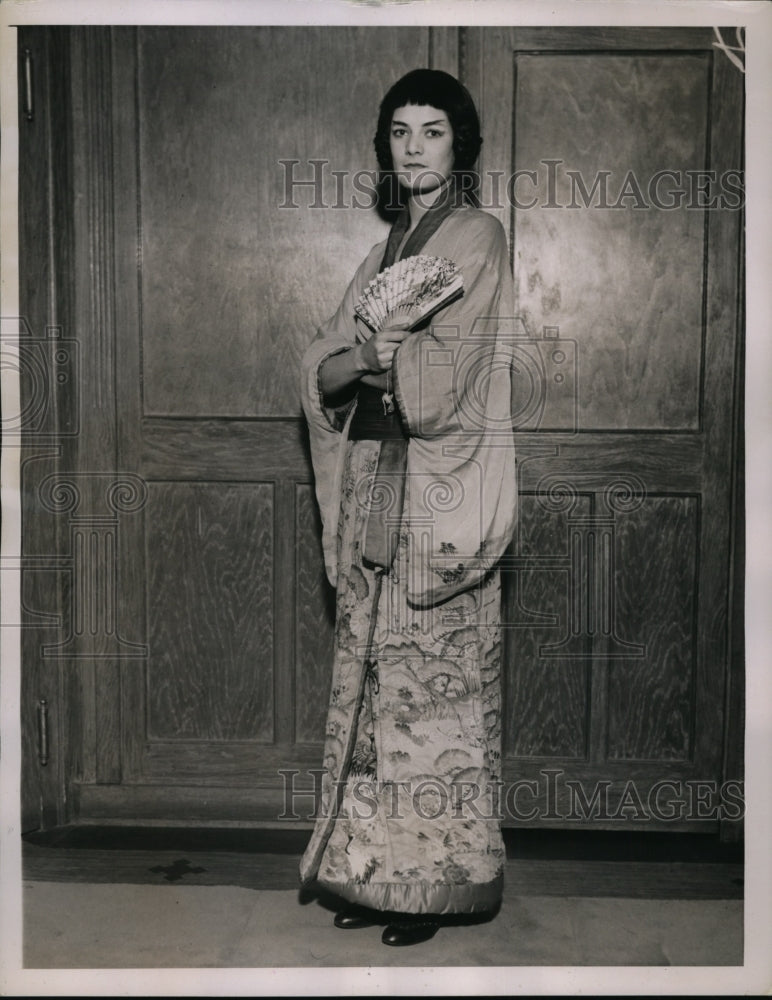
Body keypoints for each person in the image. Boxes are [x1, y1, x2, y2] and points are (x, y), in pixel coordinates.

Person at [299, 68, 517, 947]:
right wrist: (363, 356)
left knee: (437, 692)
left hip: (440, 496)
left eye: (432, 131)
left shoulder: (477, 238)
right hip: (373, 487)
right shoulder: (384, 252)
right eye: (400, 132)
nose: (415, 146)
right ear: (386, 147)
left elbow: (441, 384)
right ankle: (370, 876)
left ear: (459, 146)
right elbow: (324, 368)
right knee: (370, 683)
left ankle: (436, 883)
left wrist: (380, 355)